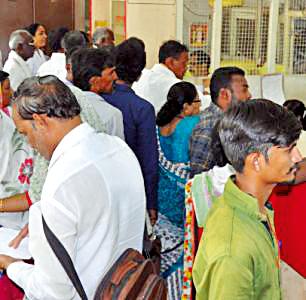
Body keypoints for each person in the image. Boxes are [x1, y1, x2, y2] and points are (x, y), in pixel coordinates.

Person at [0, 76, 146, 299]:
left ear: (40, 121)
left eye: (25, 133)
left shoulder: (62, 182)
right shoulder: (119, 149)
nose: (29, 144)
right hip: (125, 287)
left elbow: (52, 292)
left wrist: (11, 265)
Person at [193, 99, 302, 299]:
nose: (298, 157)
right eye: (289, 149)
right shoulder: (233, 250)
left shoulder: (254, 207)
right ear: (256, 161)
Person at [101, 37, 158, 224]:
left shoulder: (96, 97)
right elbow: (148, 161)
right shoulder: (142, 109)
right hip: (128, 188)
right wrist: (151, 202)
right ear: (140, 74)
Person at [155, 81, 200, 299]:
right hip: (183, 210)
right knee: (183, 264)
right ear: (187, 107)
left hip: (160, 210)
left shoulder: (157, 127)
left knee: (162, 264)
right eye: (198, 103)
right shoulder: (191, 125)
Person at [190, 66, 251, 177]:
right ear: (224, 94)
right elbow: (198, 179)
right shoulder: (209, 127)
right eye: (244, 90)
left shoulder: (229, 121)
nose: (249, 95)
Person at [133, 40, 206, 112]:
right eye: (184, 63)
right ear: (170, 62)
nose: (186, 68)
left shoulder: (140, 77)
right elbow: (205, 104)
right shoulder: (175, 85)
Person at [71, 47, 124, 139]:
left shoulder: (63, 106)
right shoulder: (112, 115)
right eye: (111, 73)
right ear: (94, 81)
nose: (115, 77)